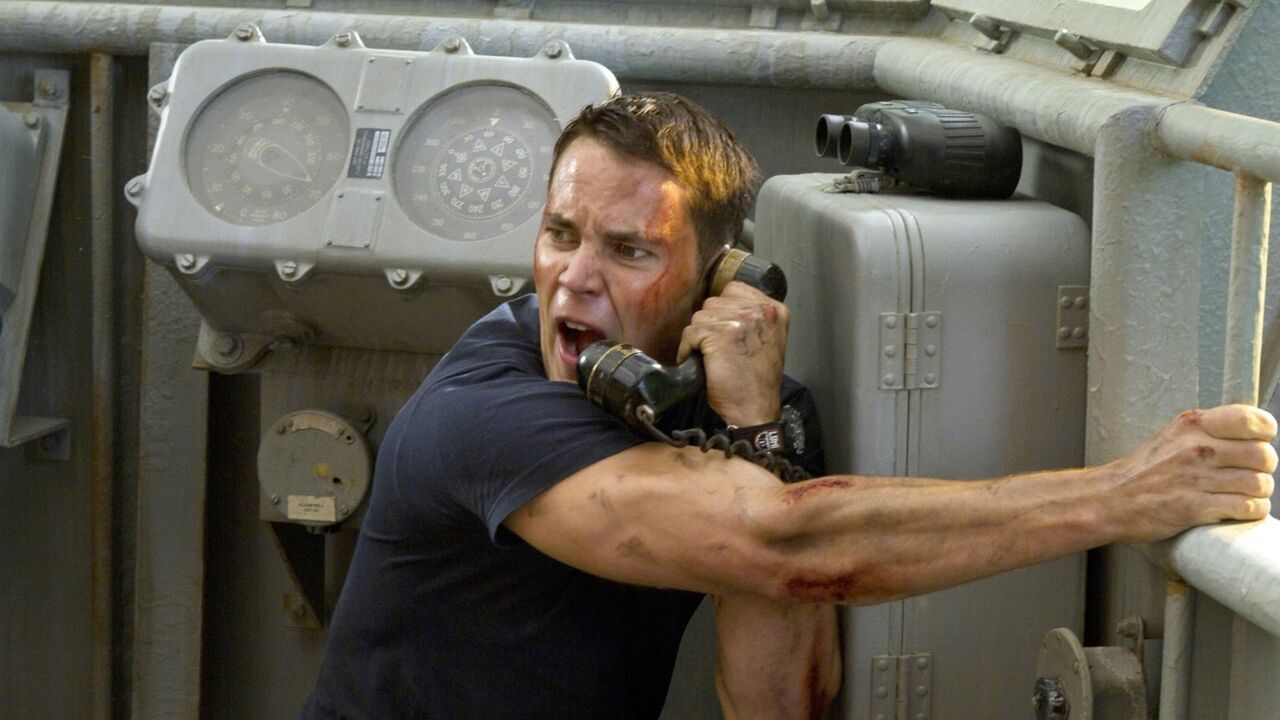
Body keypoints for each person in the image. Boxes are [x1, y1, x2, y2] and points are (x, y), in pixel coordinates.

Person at [301, 92, 1276, 720]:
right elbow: (780, 544)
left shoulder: (739, 412)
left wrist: (754, 423)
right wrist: (1123, 495)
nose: (575, 280)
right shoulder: (485, 413)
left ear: (714, 276)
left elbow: (780, 706)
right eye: (561, 235)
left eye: (629, 251)